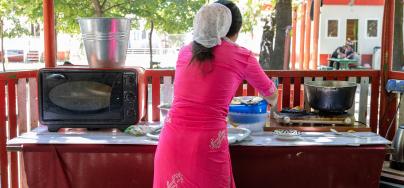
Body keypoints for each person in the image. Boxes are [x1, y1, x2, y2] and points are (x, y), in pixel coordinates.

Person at [153, 1, 278, 188]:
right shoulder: (242, 56)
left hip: (171, 140)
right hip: (207, 144)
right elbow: (271, 94)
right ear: (233, 30)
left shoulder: (185, 51)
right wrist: (272, 103)